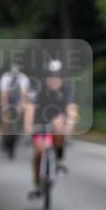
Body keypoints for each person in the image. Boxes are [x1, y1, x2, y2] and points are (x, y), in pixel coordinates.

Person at [25, 59, 78, 197]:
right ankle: (37, 182)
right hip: (39, 120)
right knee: (38, 153)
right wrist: (27, 125)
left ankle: (58, 159)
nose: (54, 80)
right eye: (51, 77)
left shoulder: (67, 89)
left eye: (57, 77)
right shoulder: (38, 88)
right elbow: (30, 107)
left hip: (57, 119)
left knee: (59, 123)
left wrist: (71, 124)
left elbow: (71, 108)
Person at [0, 65, 30, 156]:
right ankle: (3, 140)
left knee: (24, 114)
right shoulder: (5, 78)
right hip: (8, 101)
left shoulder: (23, 78)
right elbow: (3, 95)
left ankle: (23, 129)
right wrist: (5, 107)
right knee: (5, 121)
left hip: (18, 101)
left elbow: (24, 94)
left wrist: (21, 106)